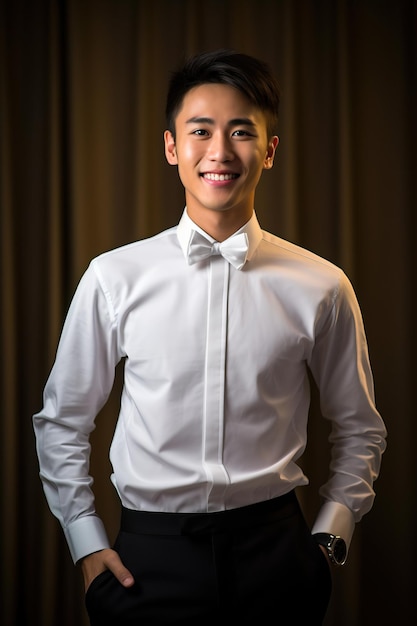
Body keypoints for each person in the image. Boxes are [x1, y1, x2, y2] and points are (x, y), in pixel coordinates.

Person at [33, 49, 386, 625]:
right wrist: (86, 541)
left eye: (241, 131)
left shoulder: (322, 285)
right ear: (172, 146)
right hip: (146, 561)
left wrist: (328, 542)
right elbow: (63, 421)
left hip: (279, 557)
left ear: (269, 151)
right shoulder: (112, 276)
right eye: (201, 131)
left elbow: (360, 427)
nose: (220, 152)